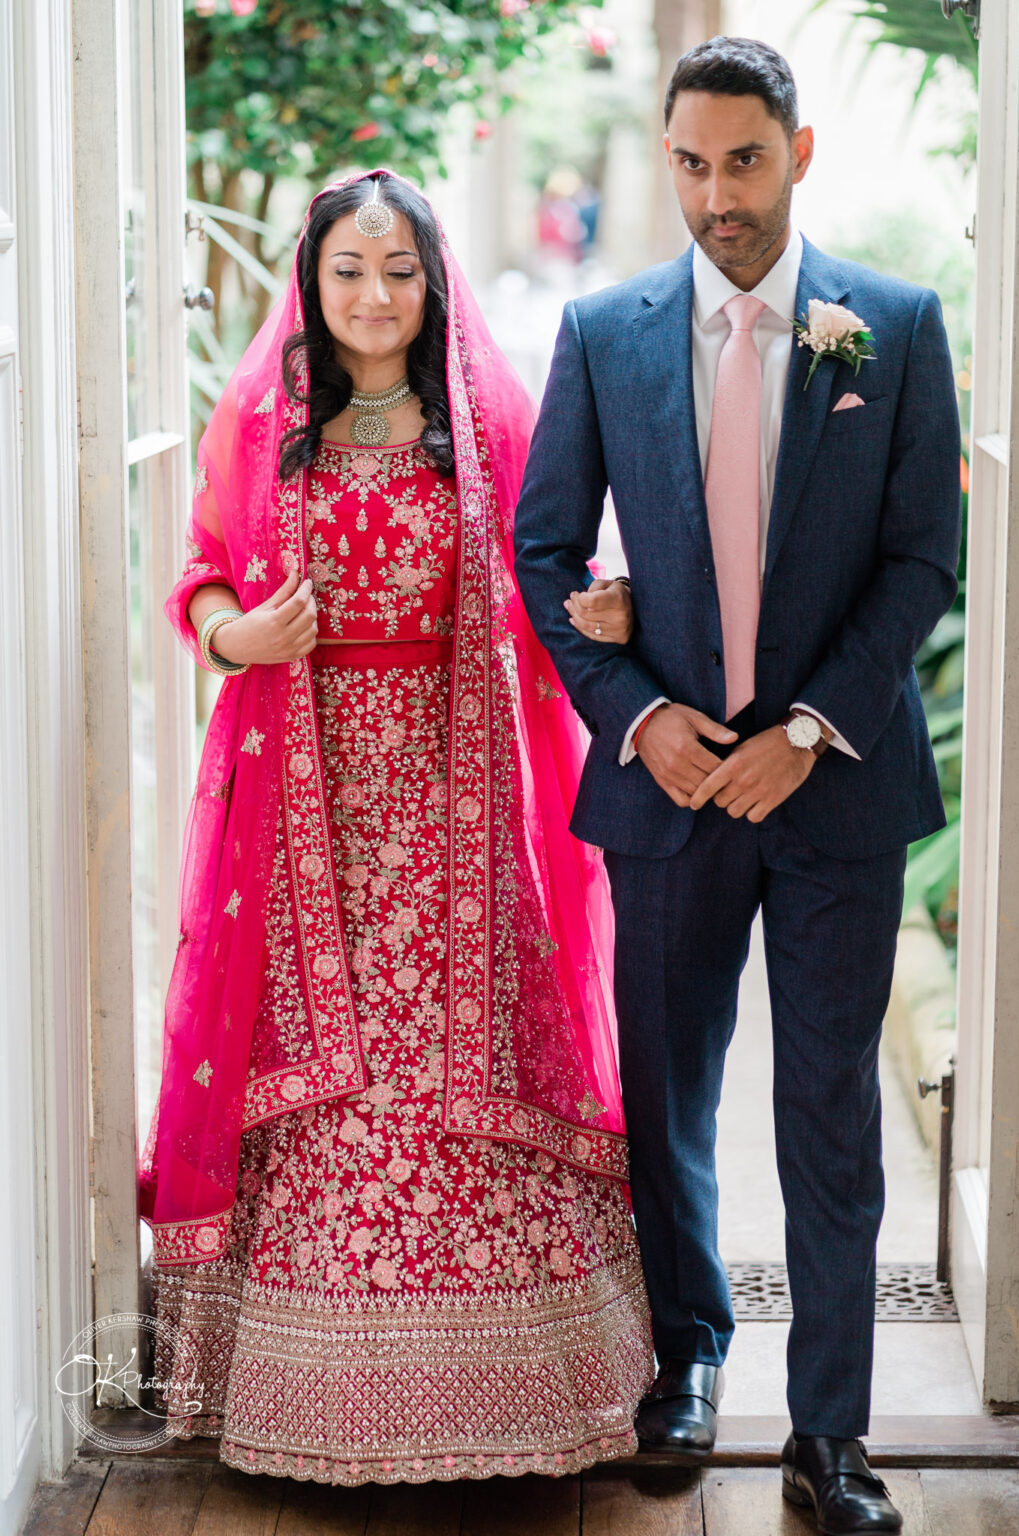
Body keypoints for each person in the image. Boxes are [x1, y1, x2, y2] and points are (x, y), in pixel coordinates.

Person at [138, 168, 653, 1485]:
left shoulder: (489, 418)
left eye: (399, 271)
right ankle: (316, 1404)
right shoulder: (260, 418)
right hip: (302, 818)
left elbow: (554, 567)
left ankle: (518, 1393)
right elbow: (197, 573)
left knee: (456, 1065)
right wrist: (236, 635)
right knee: (328, 1073)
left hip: (456, 804)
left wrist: (596, 609)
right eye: (349, 270)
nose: (374, 295)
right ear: (309, 283)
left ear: (434, 286)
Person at [514, 36, 961, 1535]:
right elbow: (545, 550)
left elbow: (922, 559)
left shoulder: (891, 326)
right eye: (693, 164)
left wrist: (814, 725)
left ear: (802, 151)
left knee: (828, 1113)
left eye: (746, 161)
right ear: (670, 162)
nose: (720, 197)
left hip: (832, 792)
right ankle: (685, 1359)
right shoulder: (602, 331)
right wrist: (639, 720)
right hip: (668, 793)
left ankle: (829, 1435)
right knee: (671, 1097)